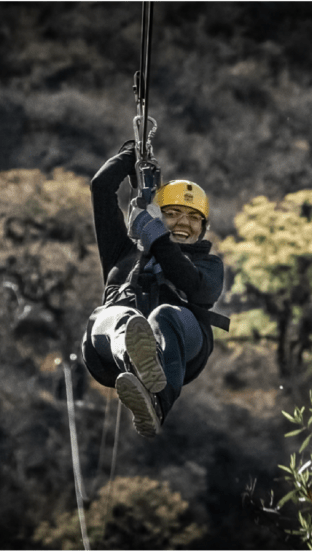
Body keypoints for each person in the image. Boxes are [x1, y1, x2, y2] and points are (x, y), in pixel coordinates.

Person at [81, 140, 229, 438]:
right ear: (158, 214)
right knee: (120, 315)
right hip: (110, 350)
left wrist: (154, 235)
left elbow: (196, 288)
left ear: (203, 228)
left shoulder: (209, 264)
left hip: (180, 345)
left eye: (193, 218)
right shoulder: (122, 251)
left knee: (164, 315)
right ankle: (136, 361)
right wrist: (131, 155)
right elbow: (101, 187)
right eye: (173, 213)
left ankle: (157, 402)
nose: (183, 223)